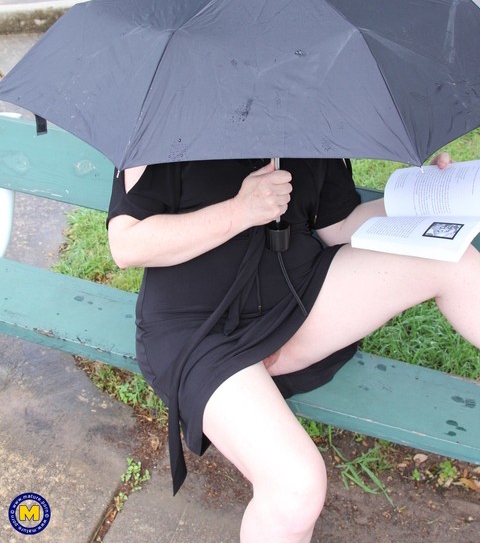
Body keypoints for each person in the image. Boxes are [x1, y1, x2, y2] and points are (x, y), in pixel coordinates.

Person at [107, 152, 480, 543]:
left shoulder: (311, 116)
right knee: (295, 487)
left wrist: (428, 195)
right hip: (199, 330)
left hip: (297, 302)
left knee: (452, 260)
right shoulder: (176, 122)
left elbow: (337, 227)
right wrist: (241, 210)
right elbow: (127, 244)